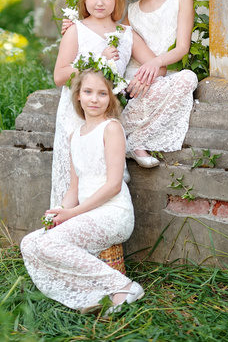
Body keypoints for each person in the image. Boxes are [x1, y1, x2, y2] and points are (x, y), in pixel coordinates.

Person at [62, 0, 198, 165]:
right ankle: (124, 139)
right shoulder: (132, 10)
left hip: (158, 69)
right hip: (130, 75)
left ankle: (131, 139)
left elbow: (183, 48)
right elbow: (114, 36)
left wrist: (155, 65)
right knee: (127, 87)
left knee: (187, 78)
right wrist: (74, 25)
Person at [20, 68, 144, 314]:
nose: (94, 99)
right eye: (88, 92)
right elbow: (74, 187)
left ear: (111, 97)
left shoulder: (111, 128)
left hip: (112, 213)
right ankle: (93, 294)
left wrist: (73, 213)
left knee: (49, 245)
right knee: (29, 243)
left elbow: (113, 185)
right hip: (86, 213)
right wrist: (61, 211)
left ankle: (124, 287)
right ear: (78, 96)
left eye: (102, 93)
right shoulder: (75, 135)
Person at [51, 0, 166, 208]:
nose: (99, 3)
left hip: (107, 112)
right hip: (78, 113)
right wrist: (97, 59)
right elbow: (60, 75)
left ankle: (102, 228)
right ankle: (64, 221)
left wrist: (139, 77)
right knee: (76, 178)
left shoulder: (126, 35)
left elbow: (158, 66)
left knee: (104, 175)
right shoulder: (75, 30)